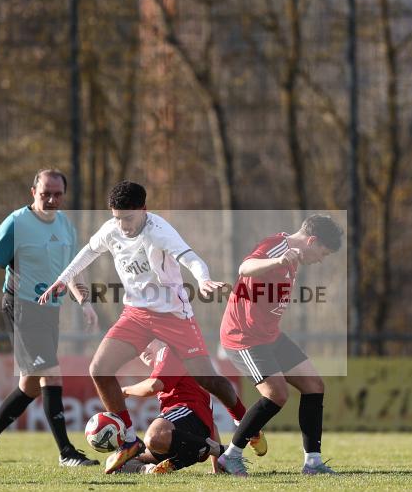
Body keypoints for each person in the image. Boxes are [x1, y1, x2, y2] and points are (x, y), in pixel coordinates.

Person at [39, 180, 263, 474]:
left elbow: (190, 258)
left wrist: (203, 280)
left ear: (143, 210)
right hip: (136, 314)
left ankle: (245, 422)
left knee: (207, 379)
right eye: (117, 218)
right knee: (99, 369)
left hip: (174, 316)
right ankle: (129, 441)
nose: (123, 226)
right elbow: (88, 252)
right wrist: (61, 278)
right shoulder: (112, 229)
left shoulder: (159, 231)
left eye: (128, 218)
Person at [0, 168, 100, 467]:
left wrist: (84, 302)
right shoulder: (15, 223)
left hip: (50, 310)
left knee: (29, 384)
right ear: (33, 193)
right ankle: (66, 452)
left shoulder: (66, 225)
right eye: (45, 194)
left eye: (58, 194)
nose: (52, 200)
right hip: (21, 307)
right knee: (51, 373)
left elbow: (72, 270)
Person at [217, 215, 344, 477]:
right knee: (277, 395)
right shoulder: (277, 246)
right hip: (244, 336)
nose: (321, 259)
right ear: (311, 240)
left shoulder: (294, 256)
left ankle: (313, 463)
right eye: (323, 252)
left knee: (314, 386)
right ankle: (230, 457)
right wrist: (278, 260)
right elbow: (245, 268)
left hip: (270, 335)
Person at [119, 341, 224, 474]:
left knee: (154, 437)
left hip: (190, 429)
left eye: (148, 341)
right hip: (185, 443)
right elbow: (211, 425)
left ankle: (212, 448)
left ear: (161, 339)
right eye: (139, 349)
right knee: (120, 463)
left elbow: (153, 386)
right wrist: (217, 467)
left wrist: (124, 391)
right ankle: (150, 470)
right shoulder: (165, 366)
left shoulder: (169, 351)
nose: (143, 351)